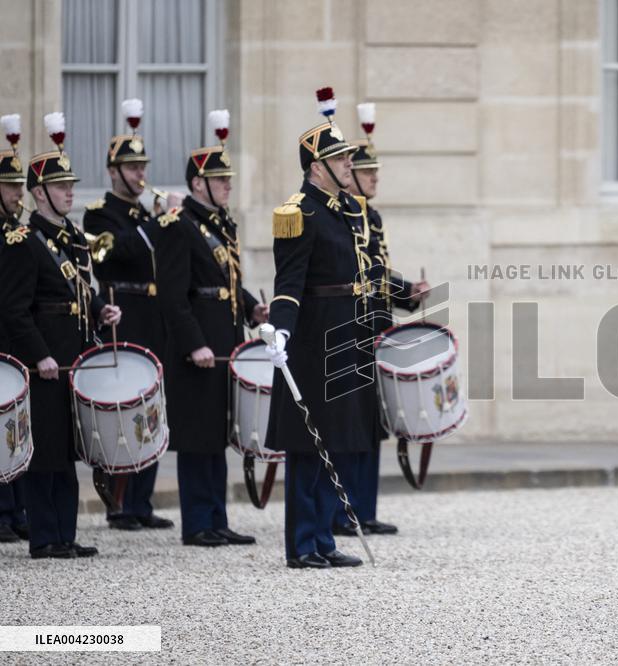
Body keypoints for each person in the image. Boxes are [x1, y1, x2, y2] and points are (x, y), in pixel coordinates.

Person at [0, 112, 122, 559]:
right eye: (61, 186)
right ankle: (44, 537)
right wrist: (39, 355)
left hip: (73, 357)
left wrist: (100, 312)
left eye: (71, 185)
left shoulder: (71, 237)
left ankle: (65, 534)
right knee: (45, 449)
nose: (70, 191)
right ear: (38, 193)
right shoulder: (22, 240)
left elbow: (77, 292)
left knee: (69, 447)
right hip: (44, 360)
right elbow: (14, 309)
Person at [264, 86, 376, 569]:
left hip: (346, 335)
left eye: (348, 158)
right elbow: (289, 283)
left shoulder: (345, 211)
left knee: (342, 439)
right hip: (313, 340)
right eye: (340, 160)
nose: (349, 165)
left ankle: (327, 538)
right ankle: (304, 544)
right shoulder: (299, 214)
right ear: (317, 168)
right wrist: (280, 329)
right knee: (309, 446)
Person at [156, 109, 267, 547]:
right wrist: (194, 345)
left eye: (229, 179)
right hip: (197, 345)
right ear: (198, 184)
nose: (228, 185)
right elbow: (172, 296)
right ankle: (198, 523)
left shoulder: (221, 224)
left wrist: (254, 309)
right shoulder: (178, 227)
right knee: (197, 435)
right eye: (220, 180)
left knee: (217, 433)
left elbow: (228, 283)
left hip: (225, 341)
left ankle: (217, 518)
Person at [334, 103, 428, 537]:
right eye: (367, 172)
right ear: (349, 174)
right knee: (350, 427)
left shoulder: (371, 216)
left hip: (375, 326)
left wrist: (407, 294)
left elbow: (377, 272)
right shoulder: (347, 216)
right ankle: (345, 511)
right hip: (349, 329)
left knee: (372, 425)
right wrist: (402, 284)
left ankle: (364, 509)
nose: (375, 179)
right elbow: (359, 271)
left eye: (375, 173)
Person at [83, 98, 173, 532]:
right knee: (126, 408)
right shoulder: (99, 213)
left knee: (153, 403)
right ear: (113, 172)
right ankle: (119, 501)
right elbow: (110, 254)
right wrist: (155, 225)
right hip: (126, 311)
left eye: (143, 167)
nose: (141, 175)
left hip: (154, 312)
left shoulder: (142, 215)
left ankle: (142, 500)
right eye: (132, 168)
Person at [0, 113, 30, 543]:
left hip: (17, 334)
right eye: (11, 186)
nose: (19, 193)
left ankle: (18, 509)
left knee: (20, 424)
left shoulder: (19, 229)